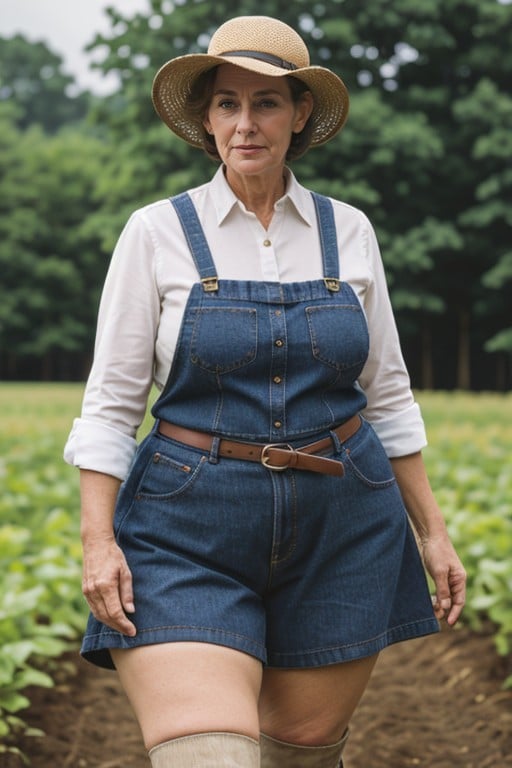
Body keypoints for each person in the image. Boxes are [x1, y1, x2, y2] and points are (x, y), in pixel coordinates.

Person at [64, 15, 466, 768]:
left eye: (267, 103)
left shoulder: (349, 232)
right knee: (208, 756)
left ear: (301, 114)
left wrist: (433, 529)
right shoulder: (155, 233)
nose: (245, 124)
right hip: (187, 527)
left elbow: (388, 394)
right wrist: (99, 542)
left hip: (342, 524)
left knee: (303, 754)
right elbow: (111, 404)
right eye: (227, 104)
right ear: (207, 118)